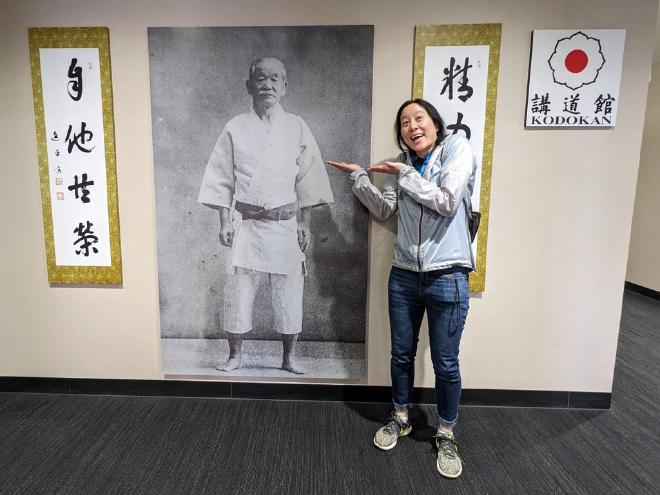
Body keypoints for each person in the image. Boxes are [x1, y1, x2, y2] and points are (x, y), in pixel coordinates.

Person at [326, 98, 476, 478]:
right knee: (400, 355)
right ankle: (401, 416)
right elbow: (384, 211)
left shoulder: (457, 149)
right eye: (405, 122)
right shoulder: (402, 165)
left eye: (418, 118)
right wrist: (359, 176)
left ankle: (445, 432)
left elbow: (446, 201)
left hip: (449, 274)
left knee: (445, 363)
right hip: (405, 274)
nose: (412, 126)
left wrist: (404, 174)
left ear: (436, 125)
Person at [198, 57, 334, 374]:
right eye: (261, 78)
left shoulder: (296, 126)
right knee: (238, 291)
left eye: (275, 79)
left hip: (284, 223)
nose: (267, 85)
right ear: (249, 85)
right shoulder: (235, 127)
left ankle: (288, 358)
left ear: (284, 86)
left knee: (289, 291)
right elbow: (220, 177)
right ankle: (235, 355)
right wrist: (224, 219)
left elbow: (309, 179)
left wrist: (304, 222)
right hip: (246, 225)